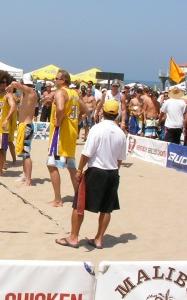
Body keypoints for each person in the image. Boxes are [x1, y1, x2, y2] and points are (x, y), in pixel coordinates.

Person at [55, 99, 127, 249]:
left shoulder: (97, 129)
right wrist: (114, 172)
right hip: (112, 173)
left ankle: (73, 238)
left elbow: (87, 153)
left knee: (79, 205)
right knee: (107, 208)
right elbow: (120, 160)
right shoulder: (121, 133)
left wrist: (80, 169)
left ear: (103, 112)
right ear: (117, 115)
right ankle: (99, 239)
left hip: (96, 171)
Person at [46, 70, 88, 207]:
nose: (54, 80)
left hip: (61, 133)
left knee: (51, 164)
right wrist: (75, 122)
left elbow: (60, 108)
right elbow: (86, 111)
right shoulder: (74, 94)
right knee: (71, 166)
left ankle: (58, 199)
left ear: (63, 80)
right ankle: (78, 196)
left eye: (56, 78)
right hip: (71, 133)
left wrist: (58, 121)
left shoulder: (60, 92)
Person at [6, 73, 37, 187]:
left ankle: (28, 181)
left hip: (27, 126)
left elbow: (14, 84)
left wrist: (12, 86)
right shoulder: (26, 93)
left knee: (26, 154)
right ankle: (25, 176)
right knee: (23, 153)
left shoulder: (30, 91)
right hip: (24, 125)